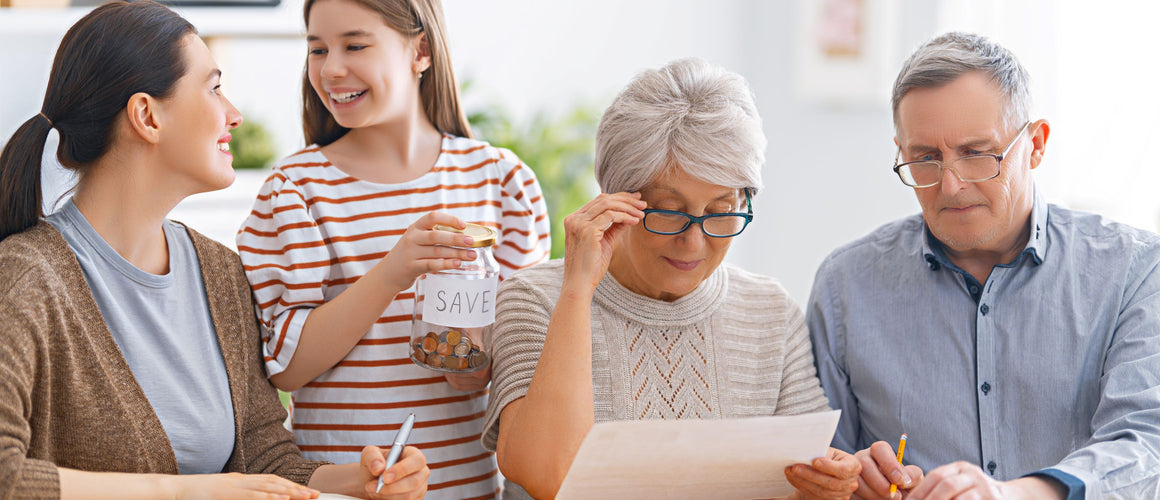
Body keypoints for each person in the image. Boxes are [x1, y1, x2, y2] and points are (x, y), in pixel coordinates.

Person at [0, 2, 429, 498]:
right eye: (214, 88)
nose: (235, 114)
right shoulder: (26, 278)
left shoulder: (219, 272)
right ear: (147, 115)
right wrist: (185, 491)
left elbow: (263, 457)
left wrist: (359, 480)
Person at [481, 57, 861, 500]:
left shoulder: (770, 311)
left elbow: (803, 474)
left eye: (721, 213)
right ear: (614, 200)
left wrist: (826, 485)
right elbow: (549, 475)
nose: (695, 244)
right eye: (670, 211)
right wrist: (578, 290)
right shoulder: (534, 299)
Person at [807, 32, 1160, 500]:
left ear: (1035, 144)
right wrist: (847, 479)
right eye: (925, 158)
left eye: (976, 154)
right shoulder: (844, 287)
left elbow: (1146, 445)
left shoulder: (1134, 270)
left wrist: (1012, 495)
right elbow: (820, 462)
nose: (950, 186)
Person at [235, 0, 551, 497]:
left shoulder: (502, 182)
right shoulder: (295, 189)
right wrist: (393, 272)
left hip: (468, 487)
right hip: (344, 488)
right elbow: (286, 367)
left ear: (420, 50)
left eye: (355, 45)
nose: (331, 69)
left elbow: (522, 367)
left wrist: (473, 367)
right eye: (318, 49)